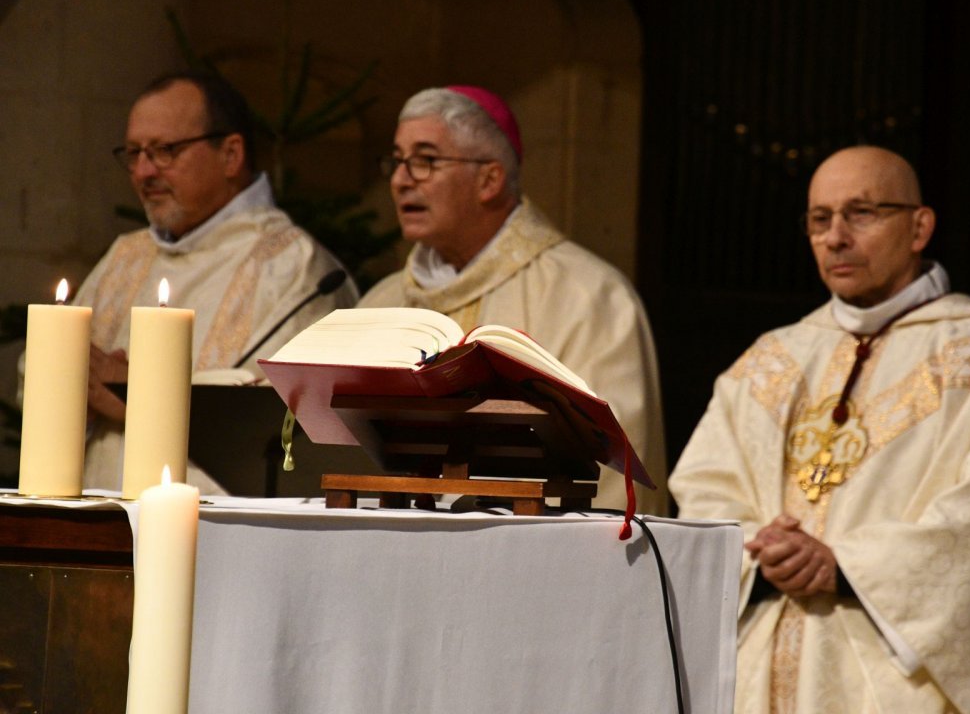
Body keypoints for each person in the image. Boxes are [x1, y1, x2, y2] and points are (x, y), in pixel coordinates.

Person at [669, 145, 970, 712]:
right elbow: (704, 491)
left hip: (891, 681)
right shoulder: (771, 360)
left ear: (920, 227)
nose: (835, 236)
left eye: (862, 213)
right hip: (757, 670)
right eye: (819, 219)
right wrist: (757, 548)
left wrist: (844, 563)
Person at [358, 85, 668, 515]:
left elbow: (613, 475)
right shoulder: (379, 305)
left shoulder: (590, 296)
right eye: (397, 160)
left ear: (489, 179)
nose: (399, 180)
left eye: (425, 161)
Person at [69, 70, 359, 492]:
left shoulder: (293, 266)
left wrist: (143, 395)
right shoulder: (124, 256)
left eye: (165, 150)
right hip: (95, 522)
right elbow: (41, 378)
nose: (144, 171)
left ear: (231, 154)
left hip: (213, 532)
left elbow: (284, 422)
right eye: (133, 153)